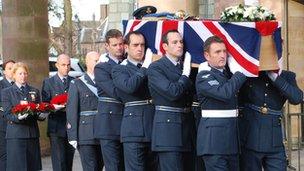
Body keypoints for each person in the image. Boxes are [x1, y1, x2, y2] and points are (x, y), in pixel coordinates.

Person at [195, 35, 246, 171]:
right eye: (217, 52)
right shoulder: (204, 76)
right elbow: (225, 93)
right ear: (207, 55)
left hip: (231, 142)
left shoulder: (227, 75)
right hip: (214, 143)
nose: (222, 55)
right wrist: (239, 74)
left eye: (224, 51)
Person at [147, 29, 194, 171]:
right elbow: (173, 92)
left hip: (187, 127)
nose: (179, 45)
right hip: (168, 130)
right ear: (165, 47)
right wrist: (185, 75)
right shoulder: (156, 68)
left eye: (181, 42)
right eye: (174, 42)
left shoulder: (185, 66)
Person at [239, 68, 303, 169]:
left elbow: (296, 98)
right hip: (250, 136)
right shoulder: (250, 73)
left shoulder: (287, 76)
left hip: (274, 139)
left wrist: (275, 78)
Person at [112, 31, 157, 171]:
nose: (140, 48)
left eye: (142, 45)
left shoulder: (153, 68)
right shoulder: (119, 69)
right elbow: (130, 87)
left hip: (154, 125)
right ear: (126, 47)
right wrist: (145, 67)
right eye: (135, 45)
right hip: (133, 129)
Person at [66, 51, 104, 171]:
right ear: (87, 62)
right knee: (90, 168)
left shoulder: (105, 82)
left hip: (103, 131)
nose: (99, 63)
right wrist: (72, 135)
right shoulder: (77, 83)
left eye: (100, 61)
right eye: (95, 61)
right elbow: (72, 110)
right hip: (86, 133)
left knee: (99, 166)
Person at [1, 62, 43, 171]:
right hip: (16, 134)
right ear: (14, 75)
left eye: (25, 73)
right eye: (20, 74)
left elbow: (38, 110)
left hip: (31, 134)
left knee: (32, 166)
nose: (23, 76)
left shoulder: (34, 91)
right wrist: (18, 117)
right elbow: (7, 113)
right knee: (17, 167)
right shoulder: (6, 92)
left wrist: (43, 114)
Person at [94, 29, 125, 171]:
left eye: (121, 44)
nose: (119, 47)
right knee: (113, 166)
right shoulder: (101, 68)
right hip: (109, 124)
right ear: (107, 46)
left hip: (127, 123)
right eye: (115, 45)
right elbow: (115, 92)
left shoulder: (128, 64)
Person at [41, 54, 75, 171]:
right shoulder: (49, 82)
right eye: (63, 65)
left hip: (71, 126)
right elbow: (44, 104)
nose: (66, 67)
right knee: (59, 161)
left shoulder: (74, 82)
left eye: (68, 65)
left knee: (69, 160)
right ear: (57, 65)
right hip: (56, 126)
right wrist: (54, 107)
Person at [0, 60, 15, 171]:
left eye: (14, 68)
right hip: (3, 125)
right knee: (4, 155)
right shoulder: (1, 85)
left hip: (18, 126)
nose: (12, 70)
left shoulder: (20, 85)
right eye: (9, 68)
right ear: (4, 71)